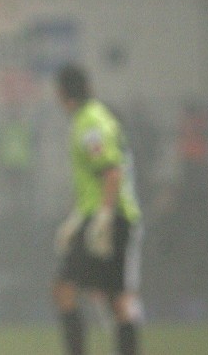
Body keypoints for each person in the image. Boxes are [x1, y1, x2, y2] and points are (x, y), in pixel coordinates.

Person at [52, 63, 143, 355]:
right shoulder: (92, 117)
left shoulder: (90, 122)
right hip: (98, 216)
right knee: (96, 294)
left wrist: (103, 218)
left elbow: (111, 172)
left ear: (63, 93)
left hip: (110, 218)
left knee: (107, 297)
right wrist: (76, 219)